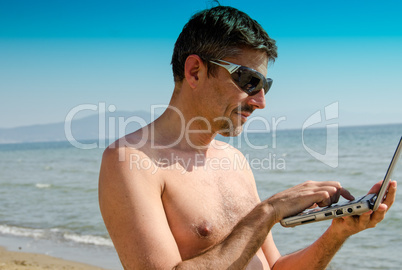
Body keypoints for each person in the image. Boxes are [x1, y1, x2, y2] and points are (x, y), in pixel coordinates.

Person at [98, 6, 396, 270]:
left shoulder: (234, 160)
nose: (260, 101)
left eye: (266, 84)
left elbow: (274, 266)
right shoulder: (131, 160)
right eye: (249, 81)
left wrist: (336, 234)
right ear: (195, 71)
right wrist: (268, 211)